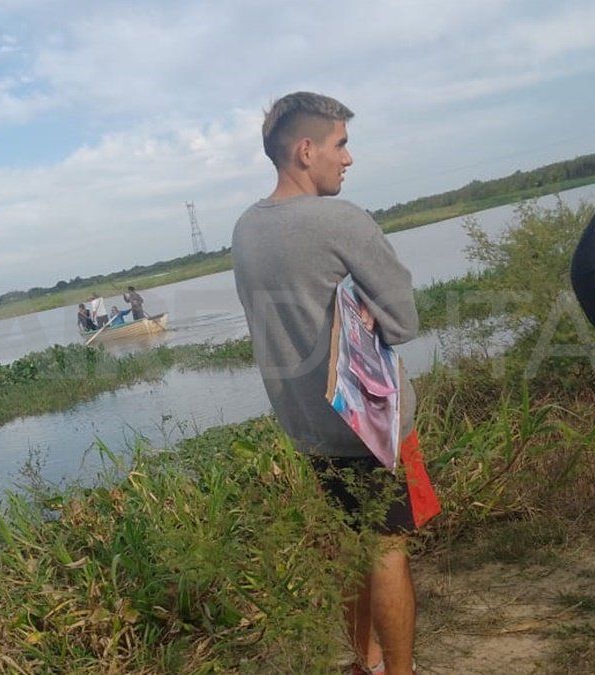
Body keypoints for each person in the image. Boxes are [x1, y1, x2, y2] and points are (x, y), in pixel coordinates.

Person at [232, 92, 424, 674]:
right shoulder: (341, 220)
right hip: (371, 424)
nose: (348, 158)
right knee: (386, 550)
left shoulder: (246, 230)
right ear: (305, 150)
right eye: (340, 144)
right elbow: (404, 321)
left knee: (350, 544)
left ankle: (363, 664)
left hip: (308, 427)